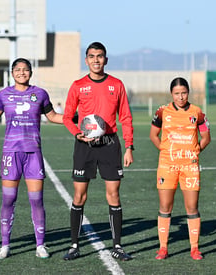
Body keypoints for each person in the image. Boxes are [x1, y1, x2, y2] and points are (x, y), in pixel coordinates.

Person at [62, 42, 134, 261]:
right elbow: (67, 116)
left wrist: (129, 146)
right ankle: (74, 245)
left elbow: (126, 118)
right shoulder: (77, 85)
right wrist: (77, 133)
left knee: (113, 194)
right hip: (85, 145)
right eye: (92, 56)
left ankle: (118, 246)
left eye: (100, 56)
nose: (96, 60)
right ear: (86, 60)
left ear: (106, 60)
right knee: (79, 195)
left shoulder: (117, 84)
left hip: (110, 144)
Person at [0, 58, 63, 260]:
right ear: (12, 72)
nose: (21, 73)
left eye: (25, 70)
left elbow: (53, 116)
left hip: (33, 154)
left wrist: (74, 118)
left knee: (37, 200)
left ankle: (40, 245)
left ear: (30, 72)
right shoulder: (3, 95)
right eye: (17, 70)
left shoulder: (39, 94)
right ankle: (5, 245)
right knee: (8, 199)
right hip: (11, 153)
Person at [149, 77, 211, 260]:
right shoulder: (162, 111)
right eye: (177, 93)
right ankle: (163, 248)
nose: (181, 97)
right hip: (167, 165)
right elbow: (153, 135)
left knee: (192, 207)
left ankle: (194, 248)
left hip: (189, 166)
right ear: (171, 94)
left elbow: (206, 136)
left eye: (184, 93)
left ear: (188, 92)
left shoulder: (197, 112)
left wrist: (197, 150)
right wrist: (165, 150)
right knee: (165, 206)